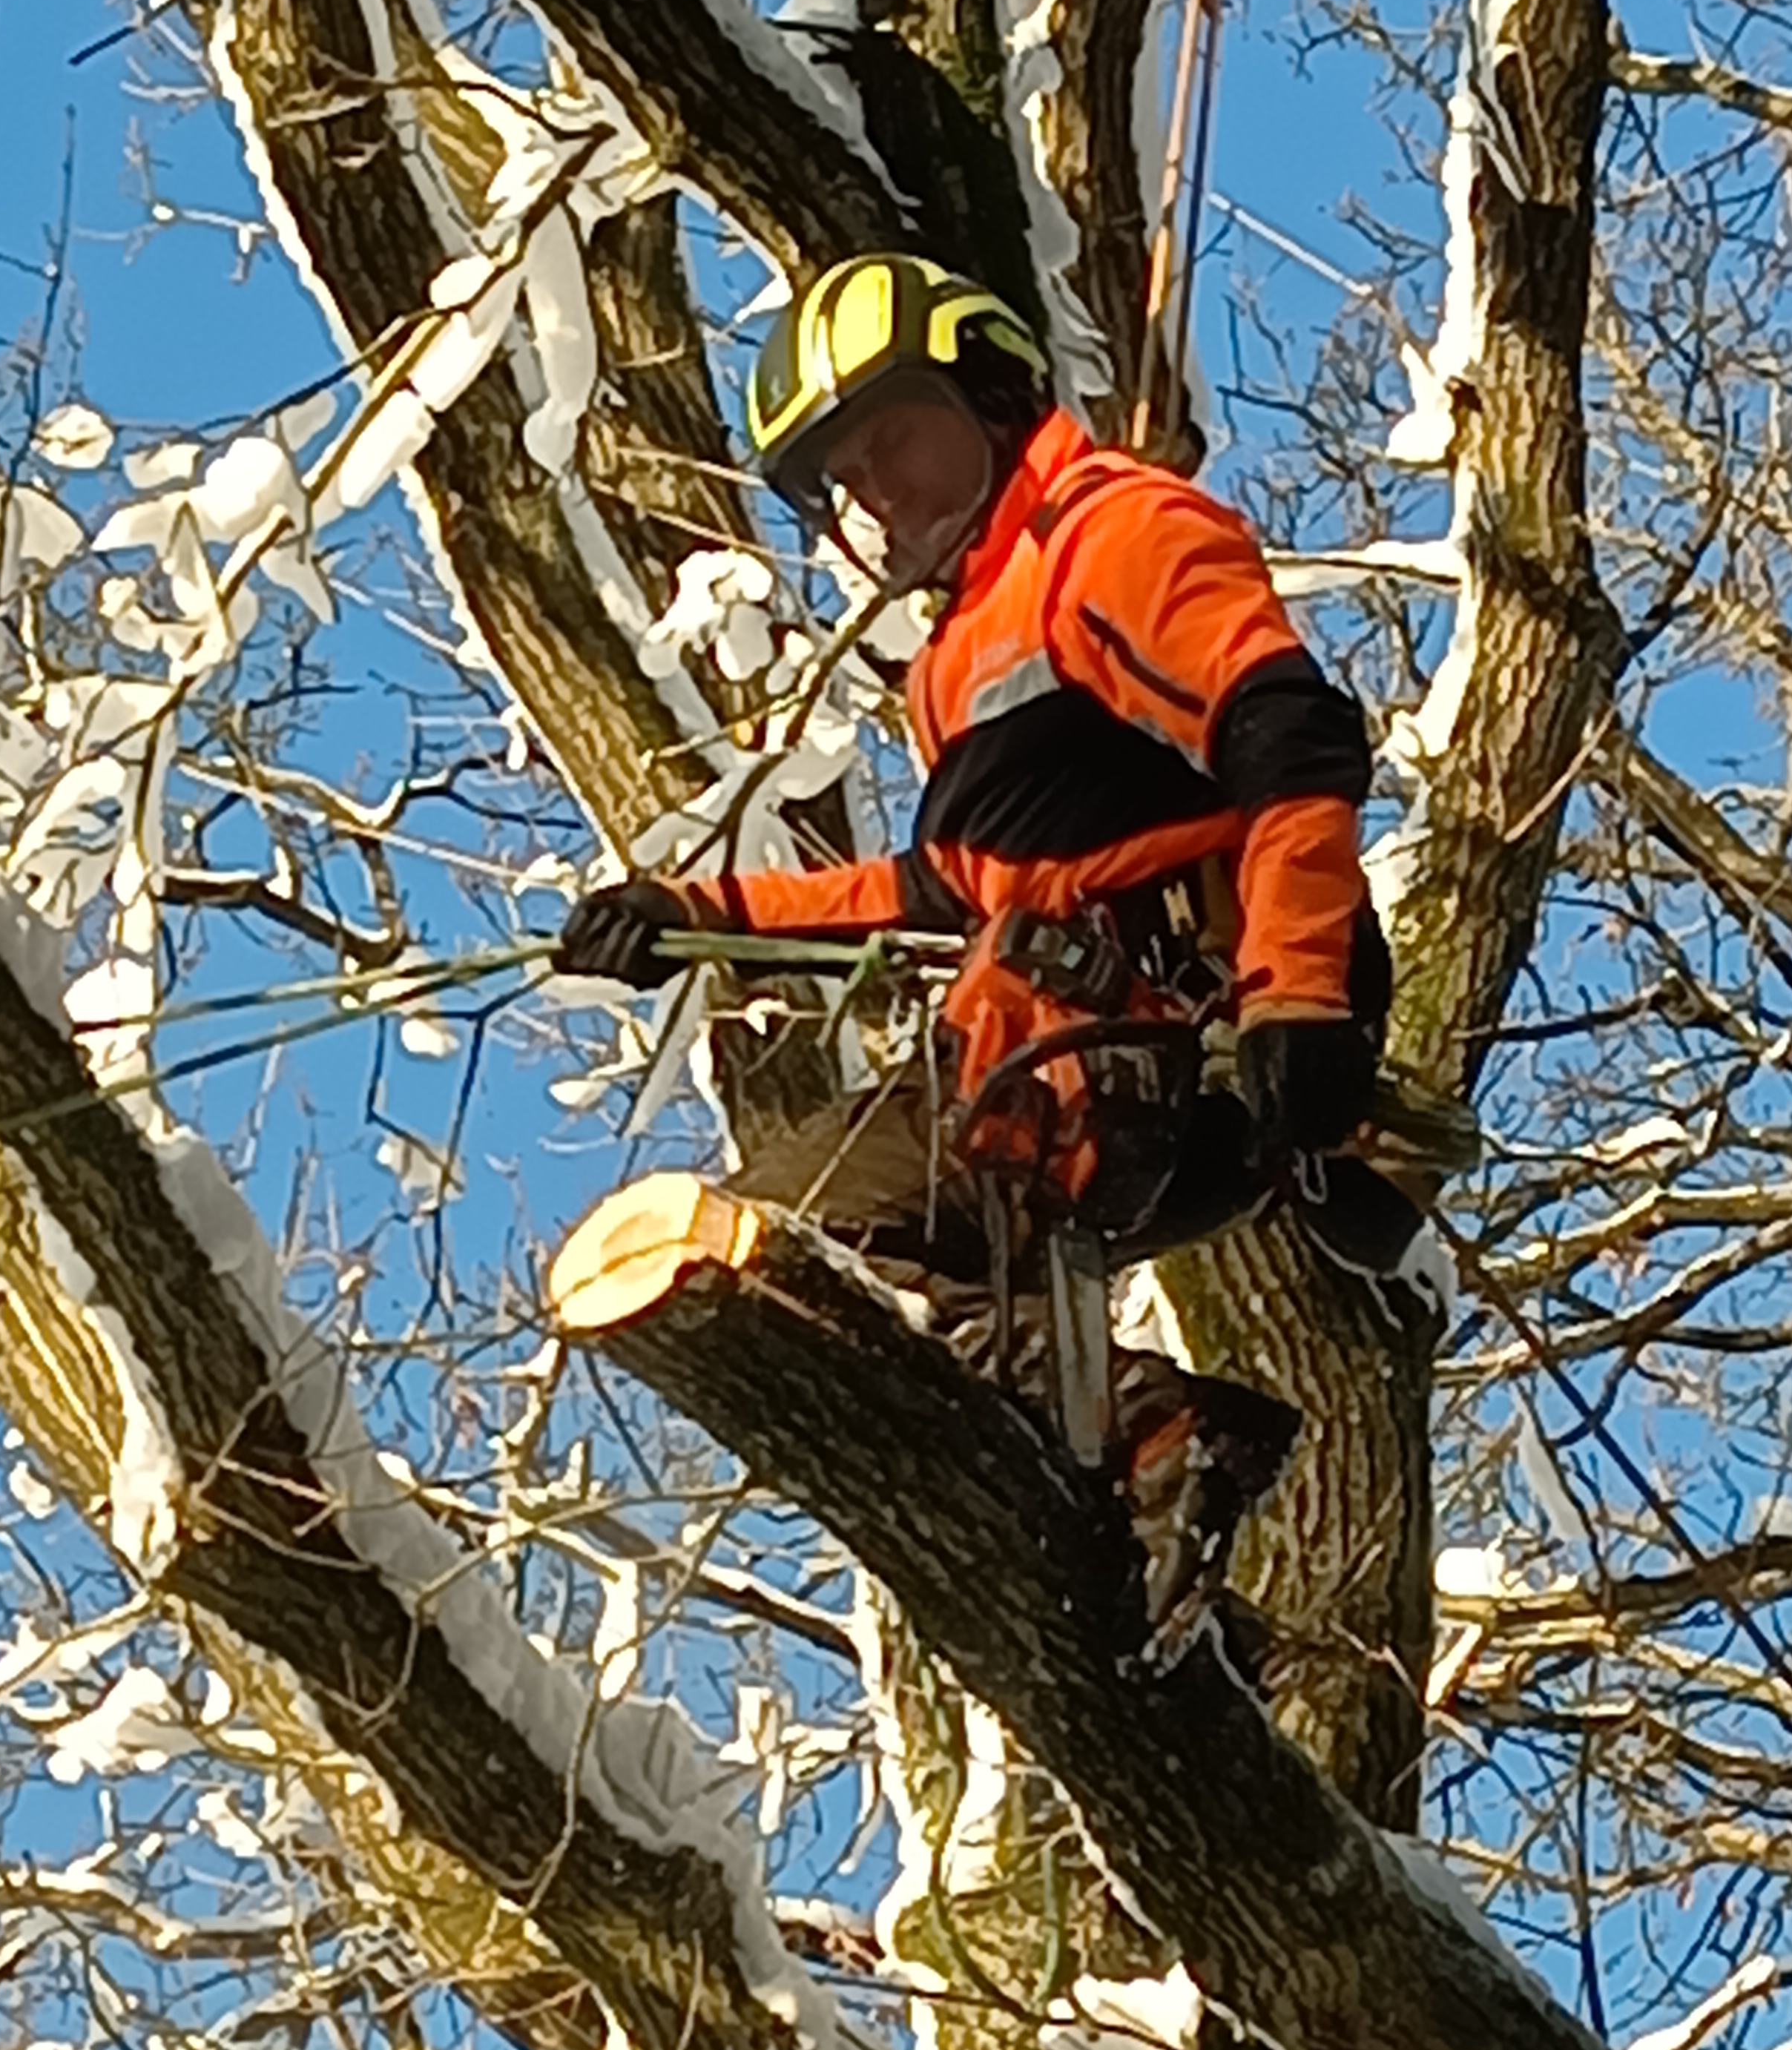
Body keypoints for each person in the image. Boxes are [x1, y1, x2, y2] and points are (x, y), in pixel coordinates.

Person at [555, 261, 1401, 1636]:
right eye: (845, 480)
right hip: (1049, 1054)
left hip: (1165, 1038)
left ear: (991, 394)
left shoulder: (1108, 529)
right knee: (913, 1326)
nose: (877, 493)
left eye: (893, 437)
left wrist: (1297, 998)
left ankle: (1156, 1433)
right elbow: (949, 888)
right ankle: (1159, 1556)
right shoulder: (957, 657)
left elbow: (1285, 734)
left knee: (789, 1242)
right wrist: (694, 914)